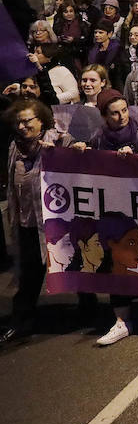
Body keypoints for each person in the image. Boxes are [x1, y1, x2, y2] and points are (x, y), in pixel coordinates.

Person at [2, 99, 78, 343]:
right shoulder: (15, 146)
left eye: (28, 121)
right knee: (30, 272)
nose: (22, 127)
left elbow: (79, 164)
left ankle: (88, 309)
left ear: (41, 121)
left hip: (58, 221)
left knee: (72, 263)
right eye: (19, 122)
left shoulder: (59, 140)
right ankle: (21, 319)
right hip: (27, 221)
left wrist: (58, 155)